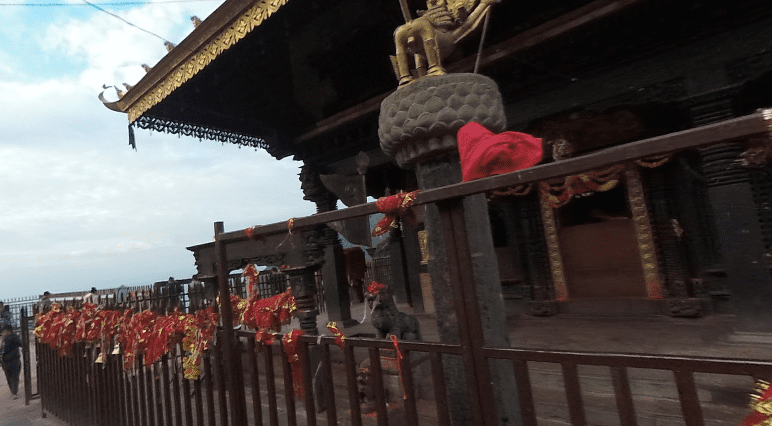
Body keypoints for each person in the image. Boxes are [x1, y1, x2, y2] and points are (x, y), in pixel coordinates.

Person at [1, 324, 21, 399]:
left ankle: (14, 391)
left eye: (4, 332)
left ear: (8, 331)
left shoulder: (9, 338)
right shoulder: (14, 337)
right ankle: (14, 392)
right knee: (14, 377)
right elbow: (21, 343)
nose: (2, 333)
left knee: (10, 377)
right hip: (12, 360)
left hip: (8, 361)